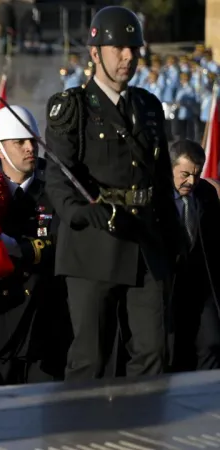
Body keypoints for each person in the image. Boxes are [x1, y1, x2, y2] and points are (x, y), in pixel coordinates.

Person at [45, 6, 181, 381]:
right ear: (94, 52)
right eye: (118, 48)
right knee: (91, 358)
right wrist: (79, 211)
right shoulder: (72, 107)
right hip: (94, 243)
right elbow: (58, 177)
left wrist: (174, 234)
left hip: (146, 243)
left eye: (133, 49)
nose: (127, 57)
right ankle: (82, 421)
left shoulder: (148, 106)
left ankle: (141, 419)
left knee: (153, 353)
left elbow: (160, 178)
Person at [0, 105, 70, 384]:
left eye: (32, 141)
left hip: (46, 320)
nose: (29, 148)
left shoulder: (56, 184)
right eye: (19, 142)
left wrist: (21, 249)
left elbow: (65, 241)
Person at [168, 140, 220, 372]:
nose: (191, 181)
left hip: (200, 284)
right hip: (167, 286)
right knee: (174, 349)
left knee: (211, 343)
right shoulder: (156, 196)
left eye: (197, 175)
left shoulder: (206, 193)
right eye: (185, 174)